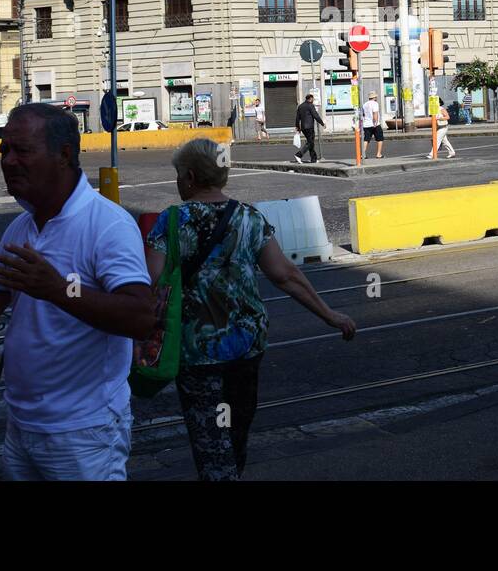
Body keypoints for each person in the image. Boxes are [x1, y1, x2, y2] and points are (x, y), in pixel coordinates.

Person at [145, 138, 356, 481]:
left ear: (192, 177)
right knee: (235, 433)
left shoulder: (171, 222)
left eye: (179, 174)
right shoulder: (249, 218)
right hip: (245, 349)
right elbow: (285, 275)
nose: (177, 181)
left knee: (211, 442)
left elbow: (150, 284)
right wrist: (329, 314)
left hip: (196, 353)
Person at [0, 103, 154, 481]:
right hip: (21, 425)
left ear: (63, 155)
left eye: (22, 150)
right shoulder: (20, 228)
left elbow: (141, 316)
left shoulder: (107, 224)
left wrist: (59, 290)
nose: (9, 162)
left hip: (83, 434)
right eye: (3, 150)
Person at [293, 92, 324, 164]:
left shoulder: (300, 106)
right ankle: (298, 155)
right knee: (310, 142)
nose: (313, 100)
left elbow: (297, 118)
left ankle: (314, 159)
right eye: (312, 99)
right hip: (309, 127)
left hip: (303, 127)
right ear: (310, 99)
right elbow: (315, 115)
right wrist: (322, 123)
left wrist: (298, 127)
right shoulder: (310, 105)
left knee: (311, 142)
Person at [361, 91, 384, 159]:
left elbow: (363, 114)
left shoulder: (364, 104)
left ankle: (363, 154)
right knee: (380, 138)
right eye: (376, 97)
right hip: (374, 124)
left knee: (366, 139)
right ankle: (378, 154)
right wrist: (375, 122)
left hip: (366, 124)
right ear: (374, 97)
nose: (376, 97)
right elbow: (375, 113)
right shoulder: (375, 103)